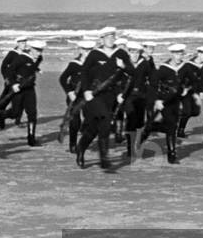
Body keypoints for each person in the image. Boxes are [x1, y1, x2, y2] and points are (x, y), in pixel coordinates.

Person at [75, 27, 132, 169]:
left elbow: (132, 72)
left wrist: (123, 65)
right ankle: (104, 158)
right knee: (106, 120)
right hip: (94, 95)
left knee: (95, 128)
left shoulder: (120, 53)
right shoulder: (95, 54)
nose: (110, 40)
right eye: (107, 38)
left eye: (112, 37)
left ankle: (81, 148)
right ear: (101, 39)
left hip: (111, 95)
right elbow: (84, 72)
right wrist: (86, 90)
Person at [1, 39, 45, 147]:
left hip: (30, 89)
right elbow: (9, 71)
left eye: (41, 50)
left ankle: (31, 139)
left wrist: (37, 70)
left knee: (32, 114)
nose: (39, 53)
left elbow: (31, 67)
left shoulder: (39, 58)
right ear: (31, 49)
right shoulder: (21, 58)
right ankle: (2, 115)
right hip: (18, 88)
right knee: (15, 113)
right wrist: (13, 84)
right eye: (37, 50)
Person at [147, 43, 186, 163]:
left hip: (177, 101)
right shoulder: (164, 68)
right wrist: (157, 100)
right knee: (171, 125)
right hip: (164, 101)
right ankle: (172, 154)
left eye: (180, 53)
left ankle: (154, 127)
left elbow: (194, 79)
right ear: (172, 54)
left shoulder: (185, 67)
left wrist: (187, 88)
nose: (178, 56)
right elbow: (154, 83)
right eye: (176, 54)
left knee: (173, 125)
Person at [59, 40, 94, 154]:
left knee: (89, 120)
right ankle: (73, 145)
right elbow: (63, 79)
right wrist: (69, 92)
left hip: (87, 96)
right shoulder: (74, 64)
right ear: (80, 50)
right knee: (75, 122)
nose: (87, 52)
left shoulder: (94, 65)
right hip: (74, 96)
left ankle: (83, 142)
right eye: (85, 50)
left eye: (89, 50)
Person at [122, 41, 154, 158]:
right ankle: (130, 148)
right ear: (128, 52)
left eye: (137, 52)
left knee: (139, 123)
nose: (134, 55)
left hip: (142, 96)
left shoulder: (145, 63)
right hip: (128, 96)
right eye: (132, 52)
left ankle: (137, 144)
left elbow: (152, 79)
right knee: (131, 119)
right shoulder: (124, 63)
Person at [0, 36, 28, 129]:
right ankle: (1, 117)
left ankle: (18, 121)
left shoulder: (26, 53)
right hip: (11, 81)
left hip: (22, 82)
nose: (24, 44)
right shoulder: (12, 54)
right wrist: (6, 78)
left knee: (21, 101)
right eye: (22, 43)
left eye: (25, 42)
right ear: (17, 44)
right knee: (5, 100)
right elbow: (3, 66)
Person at [176, 46, 203, 138]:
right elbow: (180, 78)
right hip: (186, 91)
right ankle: (180, 130)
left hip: (196, 91)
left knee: (196, 112)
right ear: (199, 54)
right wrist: (183, 89)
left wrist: (202, 91)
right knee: (187, 111)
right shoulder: (188, 65)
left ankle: (177, 113)